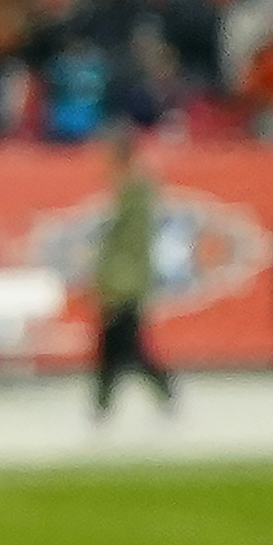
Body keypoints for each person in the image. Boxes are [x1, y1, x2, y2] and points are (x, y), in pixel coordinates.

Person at [88, 122, 178, 421]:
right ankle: (103, 404)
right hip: (122, 279)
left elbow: (130, 246)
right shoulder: (131, 190)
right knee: (115, 347)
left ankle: (159, 387)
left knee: (125, 347)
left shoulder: (134, 192)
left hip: (124, 282)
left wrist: (113, 281)